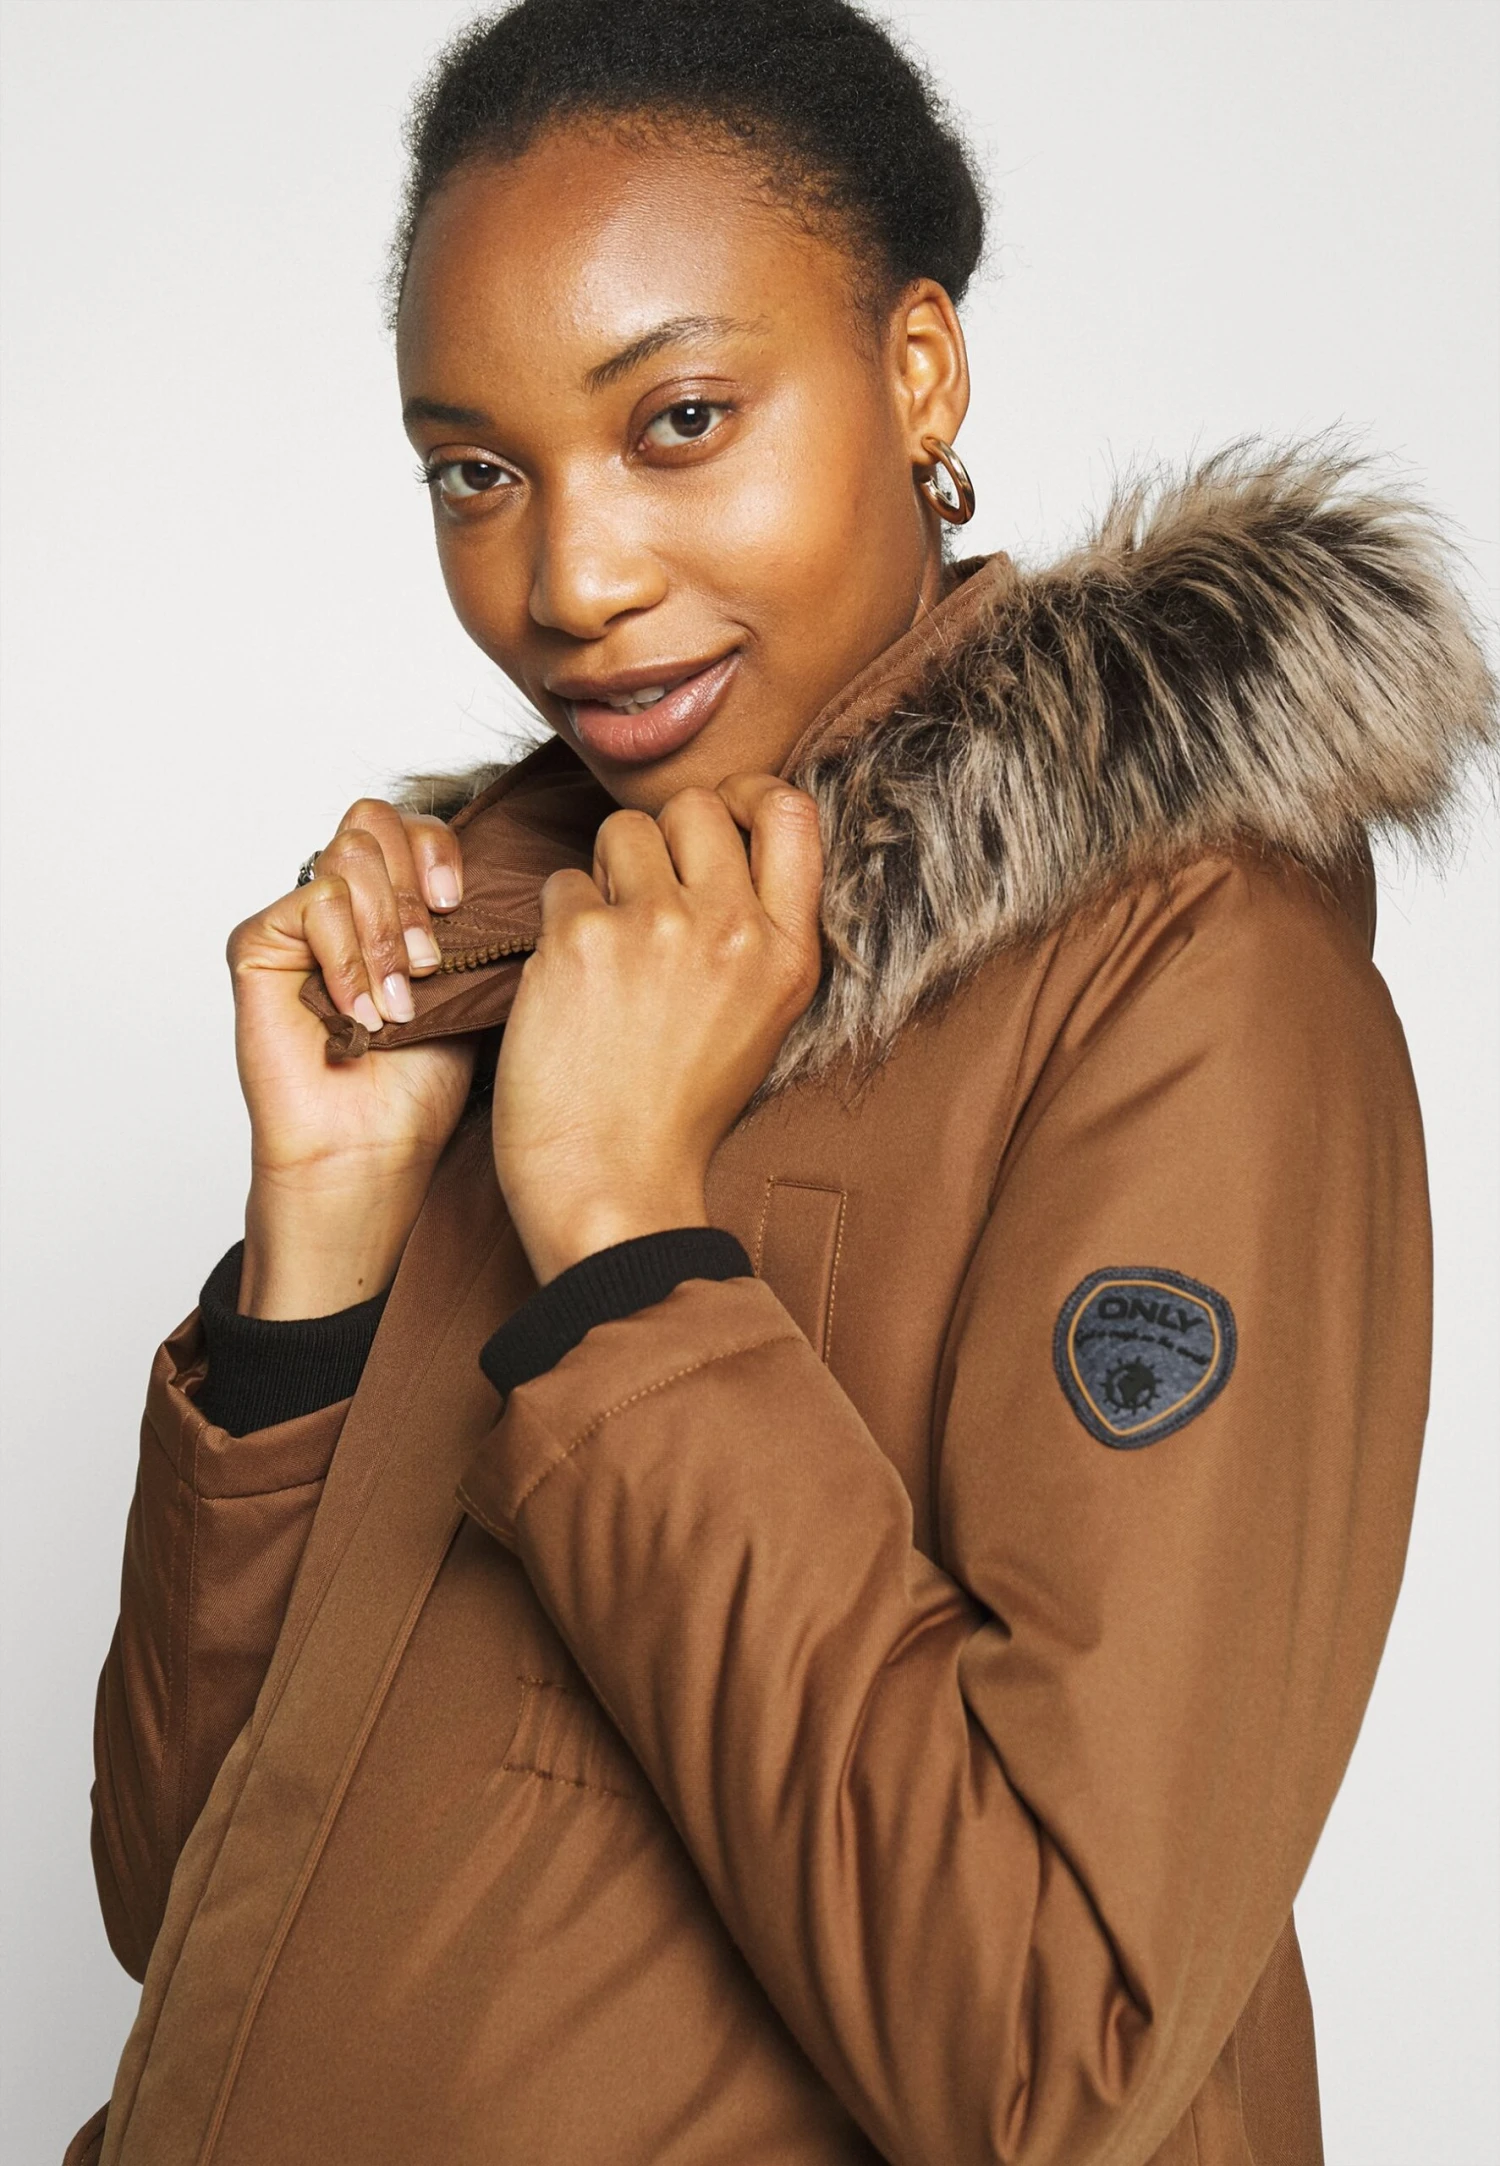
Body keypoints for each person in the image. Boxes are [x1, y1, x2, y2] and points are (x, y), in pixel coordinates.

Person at [70, 2, 1494, 2162]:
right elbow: (174, 1902)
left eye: (681, 420)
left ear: (918, 374)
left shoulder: (1188, 994)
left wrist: (627, 1247)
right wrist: (322, 1261)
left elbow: (1051, 2060)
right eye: (476, 472)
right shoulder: (519, 958)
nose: (568, 581)